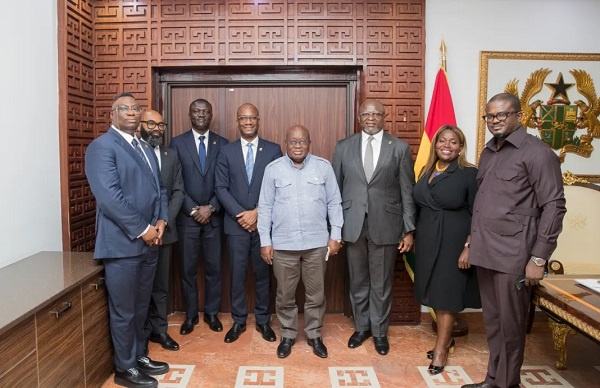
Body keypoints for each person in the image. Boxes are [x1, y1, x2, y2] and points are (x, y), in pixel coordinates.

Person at [462, 93, 566, 388]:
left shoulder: (537, 153)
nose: (494, 121)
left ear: (519, 115)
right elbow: (483, 204)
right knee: (493, 324)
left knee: (510, 326)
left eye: (501, 115)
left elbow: (554, 206)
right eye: (489, 116)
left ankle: (507, 384)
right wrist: (471, 244)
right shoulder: (489, 152)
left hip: (515, 256)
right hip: (486, 251)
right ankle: (493, 380)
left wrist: (538, 258)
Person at [85, 92, 170, 388]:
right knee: (123, 310)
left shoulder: (146, 147)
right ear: (112, 114)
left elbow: (159, 189)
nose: (132, 113)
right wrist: (143, 228)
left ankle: (139, 355)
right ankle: (125, 368)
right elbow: (110, 198)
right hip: (122, 244)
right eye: (125, 108)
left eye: (136, 108)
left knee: (140, 305)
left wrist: (161, 221)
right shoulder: (102, 147)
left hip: (151, 241)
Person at [332, 99, 416, 356]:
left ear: (384, 117)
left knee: (381, 283)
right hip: (352, 224)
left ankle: (379, 332)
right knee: (358, 281)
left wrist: (409, 229)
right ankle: (361, 328)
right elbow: (334, 190)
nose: (371, 118)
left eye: (376, 114)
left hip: (387, 224)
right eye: (366, 114)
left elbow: (407, 190)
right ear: (359, 117)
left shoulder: (399, 148)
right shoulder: (344, 147)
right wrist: (335, 228)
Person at [258, 125, 343, 359]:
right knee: (285, 295)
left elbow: (334, 203)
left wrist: (335, 235)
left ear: (309, 143)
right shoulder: (273, 169)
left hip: (316, 245)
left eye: (302, 142)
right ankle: (287, 334)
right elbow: (264, 207)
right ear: (286, 143)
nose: (298, 146)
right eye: (293, 142)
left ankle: (314, 335)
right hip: (284, 246)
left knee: (316, 295)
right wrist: (265, 241)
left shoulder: (323, 167)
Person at [412, 125, 481, 375]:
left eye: (453, 142)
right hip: (428, 239)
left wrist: (469, 247)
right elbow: (418, 205)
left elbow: (477, 213)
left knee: (446, 296)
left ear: (460, 147)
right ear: (436, 144)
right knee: (433, 290)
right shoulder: (426, 169)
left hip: (453, 240)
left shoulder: (468, 173)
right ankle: (447, 338)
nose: (447, 145)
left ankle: (441, 349)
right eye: (443, 140)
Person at [215, 103, 282, 343]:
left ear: (258, 120)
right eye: (243, 118)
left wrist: (257, 213)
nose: (248, 122)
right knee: (237, 274)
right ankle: (239, 321)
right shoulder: (226, 151)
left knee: (264, 274)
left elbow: (278, 187)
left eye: (252, 117)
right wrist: (241, 215)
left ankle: (263, 321)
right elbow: (220, 188)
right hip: (236, 226)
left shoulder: (274, 150)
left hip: (265, 226)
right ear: (237, 121)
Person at [170, 99, 229, 335]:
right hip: (187, 219)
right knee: (187, 270)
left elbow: (226, 182)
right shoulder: (176, 143)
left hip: (215, 218)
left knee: (215, 269)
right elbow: (175, 181)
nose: (201, 115)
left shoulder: (222, 144)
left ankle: (212, 314)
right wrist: (193, 209)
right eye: (196, 111)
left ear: (211, 115)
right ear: (189, 114)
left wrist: (212, 207)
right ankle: (191, 315)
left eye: (205, 111)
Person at [139, 110, 185, 352]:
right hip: (136, 233)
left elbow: (178, 190)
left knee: (161, 286)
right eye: (151, 123)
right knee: (138, 287)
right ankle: (141, 333)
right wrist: (144, 226)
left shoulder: (171, 155)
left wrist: (164, 221)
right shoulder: (132, 152)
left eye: (161, 125)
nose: (156, 129)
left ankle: (160, 331)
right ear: (140, 125)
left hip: (164, 231)